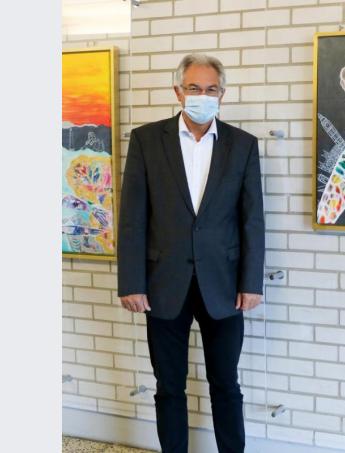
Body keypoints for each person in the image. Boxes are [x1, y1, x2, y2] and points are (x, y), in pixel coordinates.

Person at [117, 53, 265, 453]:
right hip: (163, 283)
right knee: (169, 387)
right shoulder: (147, 140)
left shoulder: (243, 145)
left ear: (223, 94)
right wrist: (131, 282)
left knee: (226, 385)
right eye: (195, 88)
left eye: (211, 89)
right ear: (178, 91)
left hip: (224, 285)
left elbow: (252, 219)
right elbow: (132, 217)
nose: (203, 95)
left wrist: (251, 283)